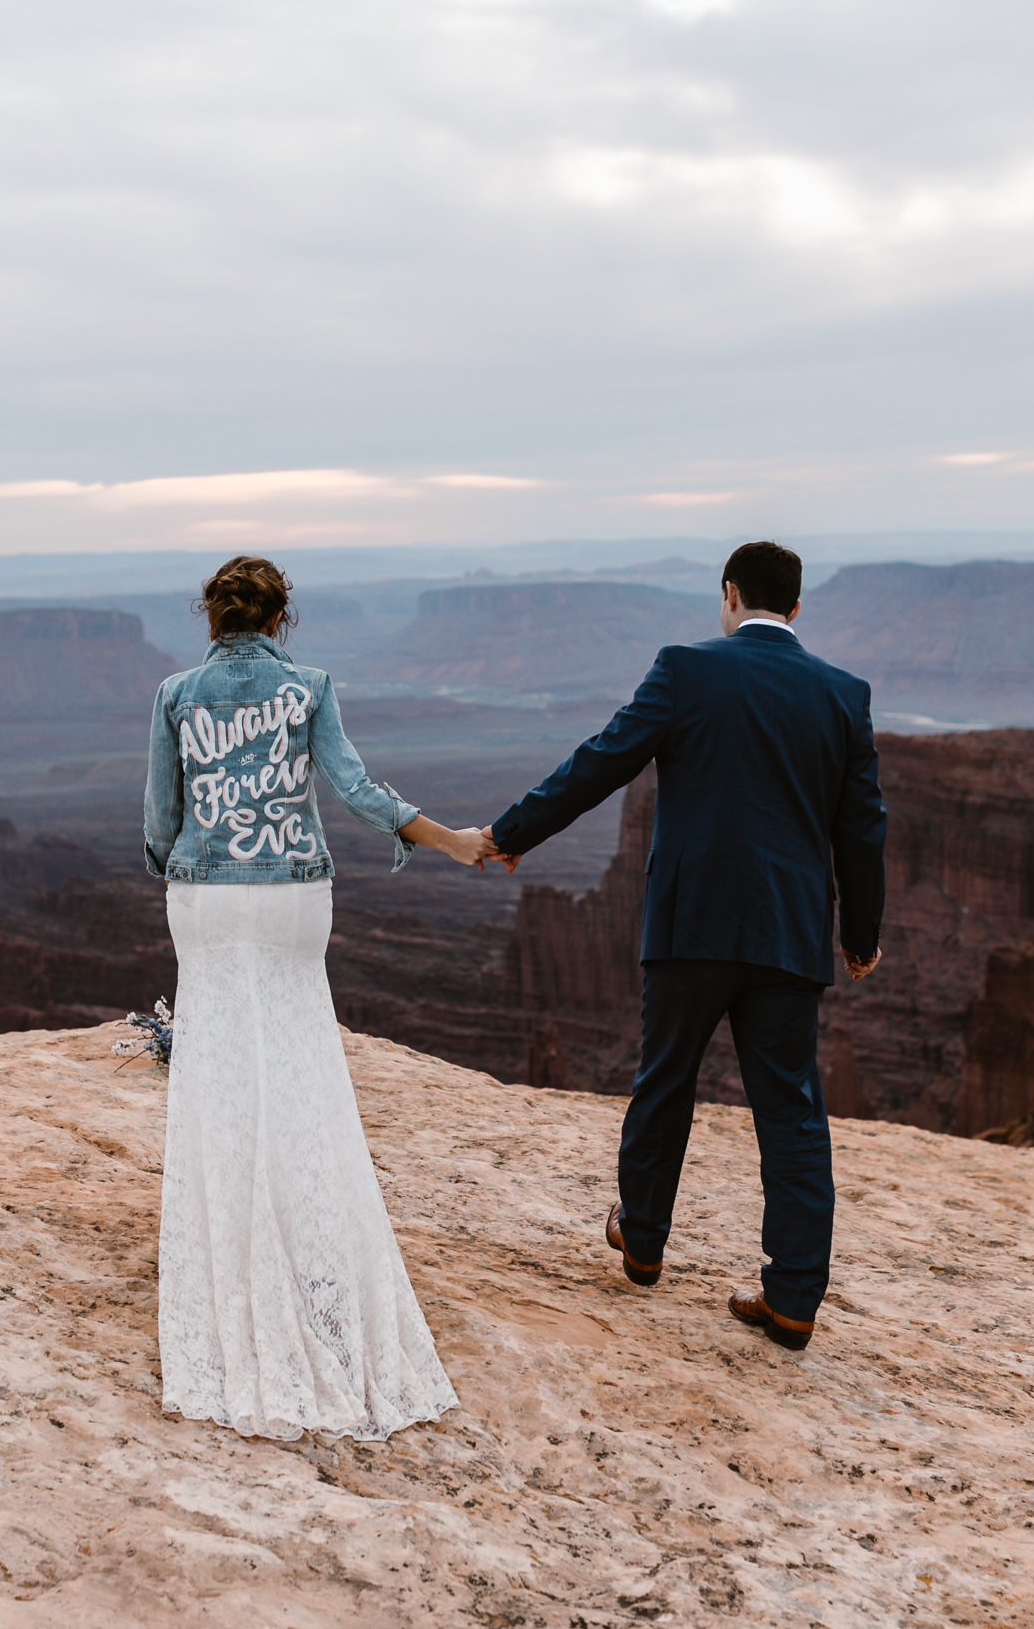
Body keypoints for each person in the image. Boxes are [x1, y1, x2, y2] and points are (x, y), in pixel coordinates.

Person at [482, 540, 886, 1352]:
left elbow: (601, 761)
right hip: (786, 933)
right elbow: (863, 828)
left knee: (665, 1081)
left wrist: (512, 831)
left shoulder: (686, 669)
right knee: (793, 1113)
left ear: (729, 595)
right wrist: (859, 936)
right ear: (797, 609)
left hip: (691, 924)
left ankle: (642, 1241)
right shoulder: (844, 694)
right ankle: (793, 1297)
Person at [143, 554, 491, 1440]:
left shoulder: (178, 694)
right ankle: (315, 1254)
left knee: (220, 1069)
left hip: (210, 901)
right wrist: (450, 841)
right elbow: (357, 788)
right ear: (280, 618)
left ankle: (238, 1260)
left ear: (211, 617)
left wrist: (182, 870)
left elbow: (158, 821)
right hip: (296, 897)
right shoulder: (310, 689)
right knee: (300, 1064)